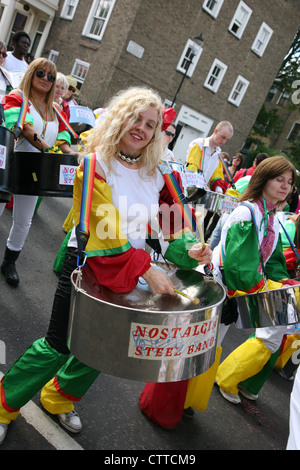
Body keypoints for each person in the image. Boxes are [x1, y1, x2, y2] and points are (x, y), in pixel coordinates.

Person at [0, 86, 212, 444]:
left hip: (132, 267)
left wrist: (190, 250)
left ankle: (58, 398)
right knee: (58, 344)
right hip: (87, 262)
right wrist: (147, 269)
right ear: (120, 117)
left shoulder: (158, 172)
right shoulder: (94, 163)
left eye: (150, 124)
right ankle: (4, 405)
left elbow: (175, 225)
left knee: (103, 346)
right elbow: (101, 225)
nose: (142, 129)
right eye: (136, 118)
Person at [212, 156, 300, 404]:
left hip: (232, 291)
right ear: (263, 179)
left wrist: (283, 282)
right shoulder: (247, 211)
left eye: (290, 182)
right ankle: (172, 402)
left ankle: (185, 400)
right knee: (203, 346)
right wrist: (265, 292)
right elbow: (240, 267)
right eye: (279, 179)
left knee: (212, 345)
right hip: (221, 287)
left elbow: (270, 258)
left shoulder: (271, 216)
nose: (286, 186)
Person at [0, 58, 74, 286]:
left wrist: (73, 155)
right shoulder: (18, 97)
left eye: (51, 77)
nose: (45, 79)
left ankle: (9, 262)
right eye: (41, 73)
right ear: (31, 73)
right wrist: (48, 148)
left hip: (36, 171)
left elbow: (64, 139)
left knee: (24, 220)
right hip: (9, 165)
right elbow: (22, 127)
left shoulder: (57, 111)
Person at [185, 121, 233, 241]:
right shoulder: (198, 144)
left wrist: (219, 191)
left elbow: (217, 175)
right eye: (222, 136)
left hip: (201, 197)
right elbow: (192, 168)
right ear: (215, 131)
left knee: (194, 229)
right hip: (187, 192)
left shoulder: (218, 154)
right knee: (179, 225)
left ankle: (186, 255)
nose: (223, 141)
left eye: (227, 139)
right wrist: (202, 184)